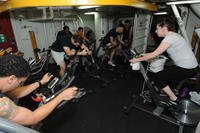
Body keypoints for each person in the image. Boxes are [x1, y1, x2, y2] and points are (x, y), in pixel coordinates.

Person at [129, 17, 199, 105]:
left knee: (157, 77)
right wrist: (144, 55)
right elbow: (156, 53)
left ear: (164, 29)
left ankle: (174, 98)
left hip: (188, 69)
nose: (155, 31)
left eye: (157, 29)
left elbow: (155, 54)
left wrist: (136, 59)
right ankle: (166, 91)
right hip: (191, 67)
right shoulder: (173, 35)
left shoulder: (170, 38)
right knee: (163, 75)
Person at [0, 54, 77, 125]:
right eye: (20, 83)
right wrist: (61, 97)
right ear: (11, 79)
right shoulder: (2, 104)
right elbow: (33, 118)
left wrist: (41, 82)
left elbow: (14, 93)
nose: (19, 86)